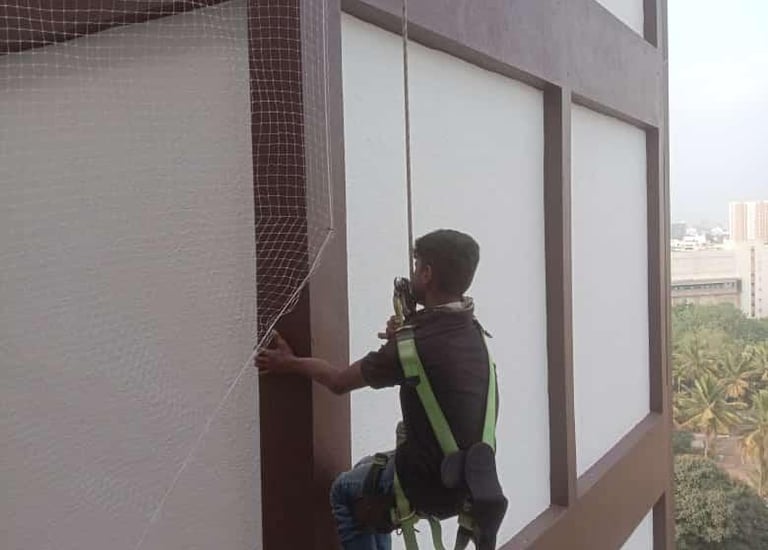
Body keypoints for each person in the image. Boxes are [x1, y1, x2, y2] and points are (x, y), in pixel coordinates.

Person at [257, 229, 500, 550]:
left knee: (344, 490)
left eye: (417, 265)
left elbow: (338, 382)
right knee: (364, 470)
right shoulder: (471, 329)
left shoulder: (415, 345)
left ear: (427, 274)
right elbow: (440, 370)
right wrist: (406, 337)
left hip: (430, 482)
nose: (413, 273)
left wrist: (289, 363)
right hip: (470, 477)